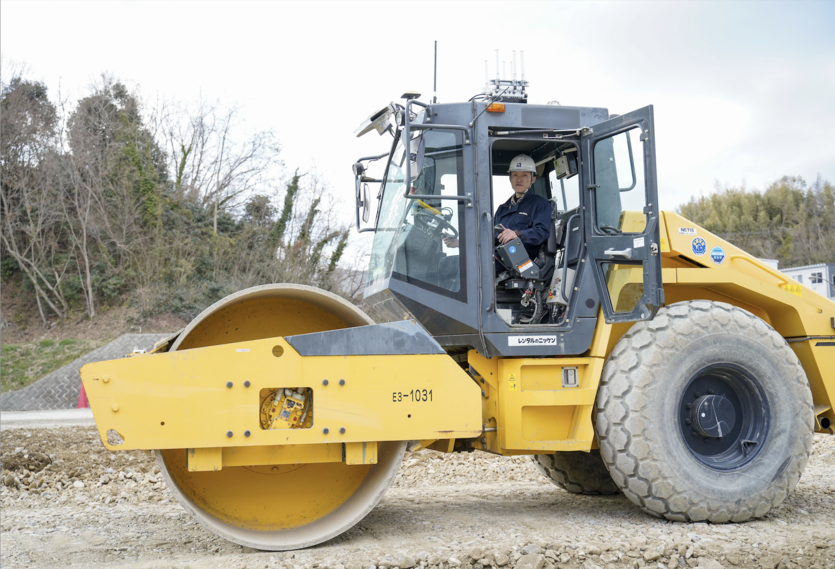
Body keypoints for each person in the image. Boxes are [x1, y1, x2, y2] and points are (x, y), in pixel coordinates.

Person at [443, 153, 551, 265]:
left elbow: (542, 232)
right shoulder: (503, 209)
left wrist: (517, 234)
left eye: (524, 175)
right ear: (510, 178)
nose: (519, 179)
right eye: (515, 175)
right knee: (446, 263)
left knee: (469, 265)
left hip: (519, 260)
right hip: (497, 255)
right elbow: (489, 238)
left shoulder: (540, 204)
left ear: (533, 179)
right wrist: (460, 243)